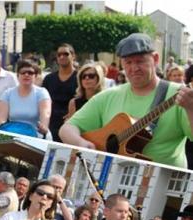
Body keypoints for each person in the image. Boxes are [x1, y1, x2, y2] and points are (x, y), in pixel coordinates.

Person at [60, 33, 193, 169]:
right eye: (128, 62)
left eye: (140, 61)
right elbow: (66, 129)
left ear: (155, 59)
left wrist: (190, 108)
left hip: (164, 183)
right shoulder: (109, 96)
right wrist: (82, 144)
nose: (134, 68)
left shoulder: (181, 94)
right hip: (111, 180)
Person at [0, 59, 51, 138]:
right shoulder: (7, 93)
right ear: (18, 75)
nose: (26, 75)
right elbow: (1, 119)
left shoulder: (42, 93)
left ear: (35, 76)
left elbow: (45, 114)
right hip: (13, 136)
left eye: (30, 73)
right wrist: (5, 130)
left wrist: (43, 127)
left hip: (37, 135)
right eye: (23, 72)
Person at [42, 44, 77, 141]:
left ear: (73, 56)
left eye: (66, 54)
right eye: (59, 54)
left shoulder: (80, 77)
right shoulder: (49, 79)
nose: (62, 57)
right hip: (51, 124)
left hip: (73, 124)